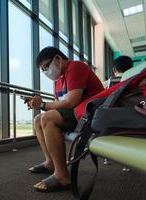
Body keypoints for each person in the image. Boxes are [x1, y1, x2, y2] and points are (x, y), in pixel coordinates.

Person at [26, 46, 104, 192]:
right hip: (78, 115)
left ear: (58, 59)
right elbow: (59, 106)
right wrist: (40, 105)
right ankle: (50, 163)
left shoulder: (75, 67)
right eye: (42, 70)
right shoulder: (58, 79)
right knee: (38, 119)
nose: (45, 72)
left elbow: (71, 102)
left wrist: (42, 104)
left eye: (46, 66)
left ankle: (62, 176)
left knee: (47, 118)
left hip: (92, 115)